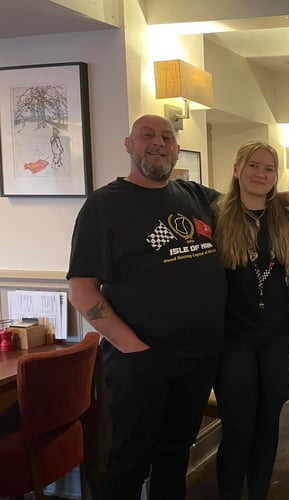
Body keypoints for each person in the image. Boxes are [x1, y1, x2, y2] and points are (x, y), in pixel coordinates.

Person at [67, 114, 227, 500]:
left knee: (175, 456)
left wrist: (285, 197)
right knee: (130, 461)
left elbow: (246, 201)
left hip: (198, 357)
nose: (158, 142)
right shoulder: (105, 205)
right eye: (147, 135)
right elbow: (82, 290)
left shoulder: (193, 195)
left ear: (176, 148)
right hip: (141, 360)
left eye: (167, 137)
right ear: (128, 144)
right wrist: (132, 347)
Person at [212, 141, 289, 499]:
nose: (261, 174)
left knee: (268, 424)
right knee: (238, 427)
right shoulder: (215, 216)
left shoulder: (285, 217)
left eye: (269, 169)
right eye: (253, 166)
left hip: (279, 335)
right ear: (236, 169)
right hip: (233, 337)